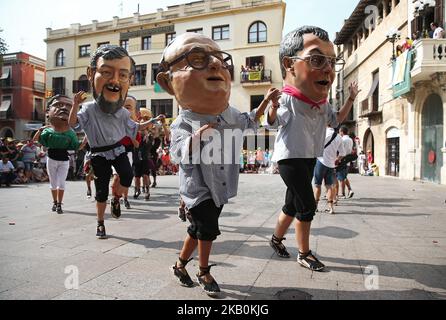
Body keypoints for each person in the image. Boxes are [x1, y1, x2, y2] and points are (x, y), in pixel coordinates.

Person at [156, 32, 280, 296]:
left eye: (221, 60)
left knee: (197, 228)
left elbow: (248, 121)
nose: (215, 64)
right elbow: (176, 155)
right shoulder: (184, 122)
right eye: (197, 59)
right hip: (197, 189)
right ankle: (204, 271)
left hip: (220, 185)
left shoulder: (228, 115)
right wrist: (197, 137)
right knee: (208, 230)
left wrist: (266, 103)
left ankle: (179, 265)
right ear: (168, 83)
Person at [265, 26, 359, 271]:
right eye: (317, 60)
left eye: (331, 61)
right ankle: (304, 253)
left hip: (309, 158)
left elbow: (336, 119)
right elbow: (272, 121)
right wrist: (273, 106)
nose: (328, 68)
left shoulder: (321, 102)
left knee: (292, 205)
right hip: (289, 158)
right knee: (307, 205)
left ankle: (276, 239)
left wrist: (350, 98)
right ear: (289, 64)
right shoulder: (288, 98)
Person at [69, 44, 164, 239]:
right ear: (91, 74)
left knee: (127, 175)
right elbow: (73, 124)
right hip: (98, 153)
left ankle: (117, 198)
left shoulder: (122, 113)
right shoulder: (88, 110)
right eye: (106, 72)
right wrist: (75, 104)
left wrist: (153, 121)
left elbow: (136, 127)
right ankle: (101, 223)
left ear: (129, 80)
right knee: (101, 191)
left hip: (118, 150)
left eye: (122, 75)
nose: (114, 81)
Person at [33, 95, 80, 214]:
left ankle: (59, 204)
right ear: (48, 112)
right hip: (51, 159)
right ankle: (55, 202)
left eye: (69, 106)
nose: (64, 108)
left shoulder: (71, 133)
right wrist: (39, 130)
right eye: (58, 105)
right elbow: (35, 141)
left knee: (61, 183)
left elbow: (76, 146)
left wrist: (85, 141)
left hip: (64, 160)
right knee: (53, 183)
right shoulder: (47, 131)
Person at [110, 95, 141, 209]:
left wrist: (130, 133)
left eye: (128, 107)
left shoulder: (134, 127)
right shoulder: (113, 124)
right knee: (116, 177)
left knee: (126, 177)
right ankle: (115, 199)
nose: (123, 109)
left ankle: (125, 198)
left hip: (128, 153)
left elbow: (137, 144)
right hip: (115, 152)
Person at [313, 126, 344, 214]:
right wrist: (337, 159)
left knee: (317, 185)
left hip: (320, 161)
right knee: (329, 186)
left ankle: (315, 206)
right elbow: (342, 153)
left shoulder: (320, 132)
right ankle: (331, 208)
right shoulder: (338, 137)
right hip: (331, 164)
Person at [336, 126, 354, 199]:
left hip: (341, 160)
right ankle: (350, 190)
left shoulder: (342, 139)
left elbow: (339, 150)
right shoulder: (350, 139)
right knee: (344, 177)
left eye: (340, 132)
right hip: (347, 161)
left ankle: (342, 194)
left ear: (342, 132)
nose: (339, 133)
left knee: (341, 179)